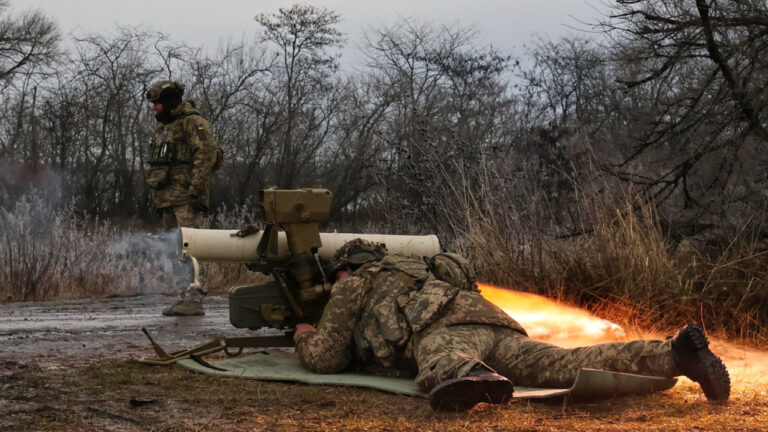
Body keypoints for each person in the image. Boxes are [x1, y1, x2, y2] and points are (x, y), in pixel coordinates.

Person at [294, 239, 731, 411]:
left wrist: (303, 337)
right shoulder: (421, 269)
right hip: (494, 322)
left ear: (345, 269)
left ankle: (477, 378)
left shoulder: (355, 284)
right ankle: (674, 353)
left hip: (444, 331)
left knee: (441, 361)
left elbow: (328, 357)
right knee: (564, 362)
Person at [145, 80, 220, 316]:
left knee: (189, 249)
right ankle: (183, 296)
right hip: (168, 199)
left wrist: (195, 190)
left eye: (157, 103)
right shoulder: (167, 127)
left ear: (168, 102)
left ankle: (194, 298)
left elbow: (206, 154)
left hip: (186, 199)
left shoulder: (192, 122)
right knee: (174, 250)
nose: (154, 108)